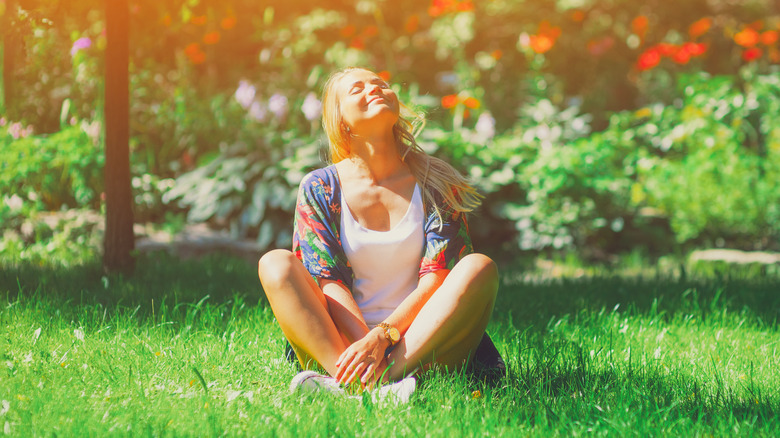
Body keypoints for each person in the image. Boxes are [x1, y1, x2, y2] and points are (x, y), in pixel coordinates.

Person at [257, 67, 503, 394]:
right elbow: (327, 280)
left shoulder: (435, 182)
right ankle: (353, 379)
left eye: (380, 84)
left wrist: (383, 337)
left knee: (478, 267)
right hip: (342, 344)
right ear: (340, 118)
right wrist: (364, 345)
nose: (373, 89)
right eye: (357, 88)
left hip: (423, 340)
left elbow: (438, 279)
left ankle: (375, 384)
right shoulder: (320, 188)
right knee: (275, 263)